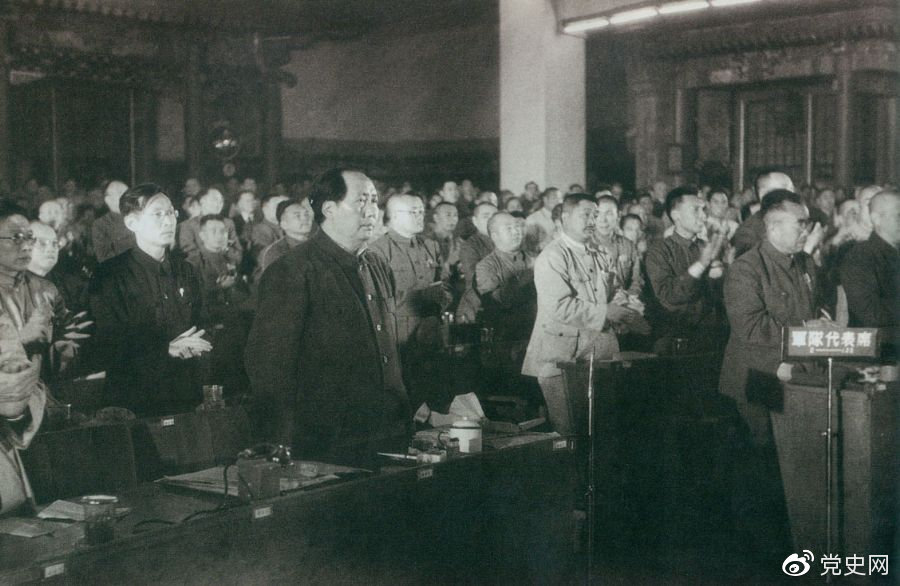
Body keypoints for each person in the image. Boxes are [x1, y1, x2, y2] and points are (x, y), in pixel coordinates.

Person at [245, 168, 409, 467]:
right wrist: (283, 443)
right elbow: (270, 366)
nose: (372, 211)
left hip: (387, 428)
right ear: (329, 209)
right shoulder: (293, 271)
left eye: (374, 201)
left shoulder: (377, 264)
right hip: (327, 438)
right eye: (361, 201)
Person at [719, 189, 827, 563]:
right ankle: (758, 555)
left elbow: (813, 310)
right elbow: (750, 328)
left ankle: (791, 544)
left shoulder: (805, 263)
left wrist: (822, 324)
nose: (806, 231)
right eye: (801, 224)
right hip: (757, 377)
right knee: (765, 462)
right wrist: (805, 330)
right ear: (774, 226)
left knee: (792, 464)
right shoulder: (746, 269)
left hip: (796, 376)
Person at [89, 184, 211, 416]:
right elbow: (109, 344)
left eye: (171, 213)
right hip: (134, 399)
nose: (168, 221)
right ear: (131, 223)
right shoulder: (110, 275)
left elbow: (202, 323)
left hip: (185, 393)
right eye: (157, 214)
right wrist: (167, 349)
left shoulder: (186, 270)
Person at [522, 194, 639, 434]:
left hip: (601, 353)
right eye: (586, 215)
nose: (592, 221)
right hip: (562, 358)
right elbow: (559, 306)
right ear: (565, 218)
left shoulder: (600, 252)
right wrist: (607, 312)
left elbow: (614, 289)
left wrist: (623, 301)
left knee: (602, 429)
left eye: (595, 215)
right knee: (570, 432)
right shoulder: (552, 256)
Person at [644, 187, 728, 353]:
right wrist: (701, 265)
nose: (703, 216)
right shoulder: (659, 251)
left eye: (703, 210)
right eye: (695, 210)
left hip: (710, 336)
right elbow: (668, 296)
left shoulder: (706, 247)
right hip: (674, 338)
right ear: (676, 215)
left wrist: (724, 273)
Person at [839, 189, 900, 329]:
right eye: (898, 216)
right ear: (876, 219)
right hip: (881, 339)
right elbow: (870, 313)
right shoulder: (860, 256)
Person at [476, 211, 536, 345]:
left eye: (517, 226)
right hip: (508, 334)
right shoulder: (486, 266)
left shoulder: (535, 258)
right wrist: (529, 274)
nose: (516, 232)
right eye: (509, 228)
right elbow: (498, 301)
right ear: (495, 236)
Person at [732, 171, 796, 258]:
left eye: (793, 189)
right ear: (764, 195)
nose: (793, 194)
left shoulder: (795, 220)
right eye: (787, 189)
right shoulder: (749, 232)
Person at [177, 188, 243, 265]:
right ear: (202, 201)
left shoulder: (228, 223)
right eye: (215, 199)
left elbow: (238, 254)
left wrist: (226, 250)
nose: (219, 204)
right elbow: (190, 255)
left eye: (221, 201)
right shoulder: (187, 226)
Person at [455, 202, 497, 323]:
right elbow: (475, 279)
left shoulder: (504, 241)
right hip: (477, 306)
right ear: (475, 221)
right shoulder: (470, 245)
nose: (491, 220)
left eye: (494, 216)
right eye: (486, 216)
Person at [258, 198, 315, 273]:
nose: (305, 218)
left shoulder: (320, 245)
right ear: (284, 224)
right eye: (297, 215)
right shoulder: (275, 252)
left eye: (306, 214)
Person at [92, 180, 135, 263]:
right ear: (108, 200)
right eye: (121, 193)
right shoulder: (100, 225)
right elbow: (104, 259)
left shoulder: (139, 217)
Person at [524, 187, 562, 253]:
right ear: (545, 199)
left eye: (560, 198)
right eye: (554, 198)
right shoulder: (533, 218)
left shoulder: (565, 216)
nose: (558, 202)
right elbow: (530, 248)